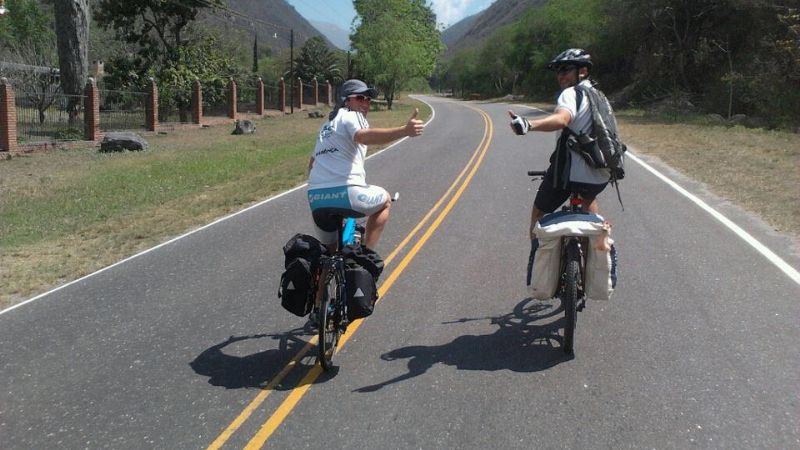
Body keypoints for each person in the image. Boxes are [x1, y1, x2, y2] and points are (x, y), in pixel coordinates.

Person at [307, 79, 424, 250]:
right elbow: (363, 136)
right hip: (348, 194)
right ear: (346, 100)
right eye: (360, 98)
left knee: (330, 254)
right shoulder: (352, 115)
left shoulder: (326, 126)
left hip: (315, 199)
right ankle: (365, 254)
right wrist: (404, 131)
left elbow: (312, 164)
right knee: (385, 201)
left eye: (368, 99)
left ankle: (323, 276)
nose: (366, 102)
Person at [508, 48, 611, 239]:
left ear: (583, 71)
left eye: (565, 70)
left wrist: (528, 124)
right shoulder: (600, 97)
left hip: (569, 174)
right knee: (588, 200)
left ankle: (537, 263)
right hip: (600, 173)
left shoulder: (571, 93)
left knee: (538, 214)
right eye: (558, 71)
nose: (560, 75)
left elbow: (562, 119)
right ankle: (600, 248)